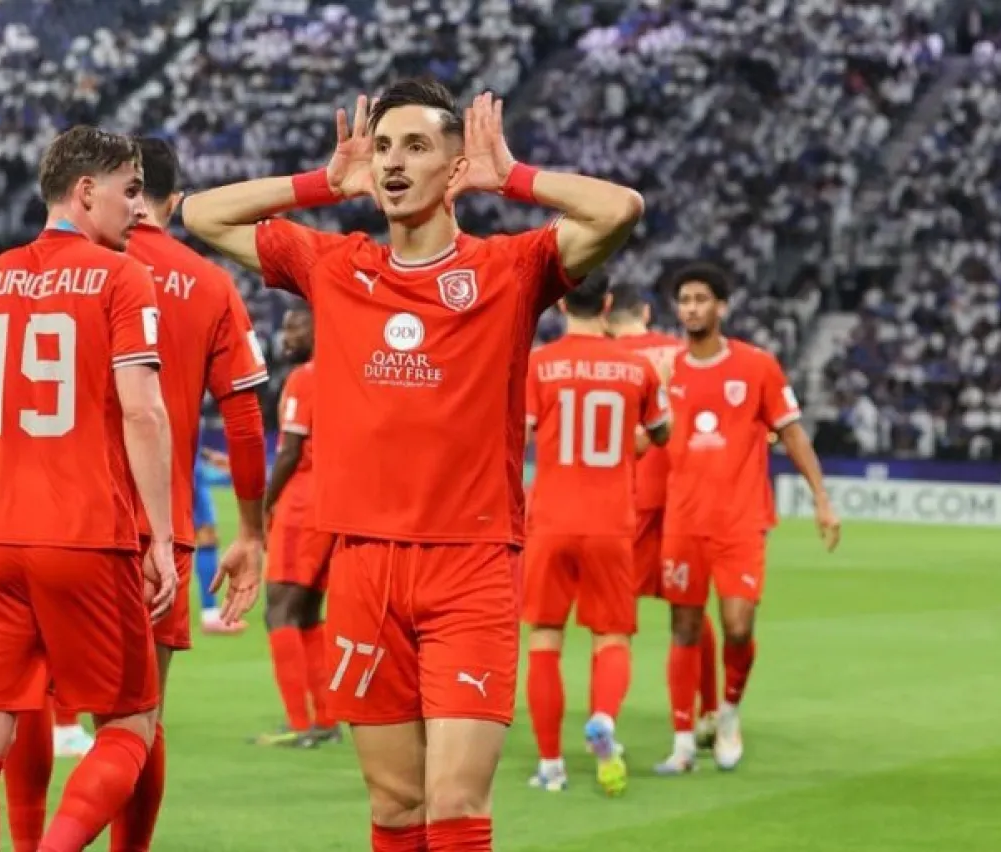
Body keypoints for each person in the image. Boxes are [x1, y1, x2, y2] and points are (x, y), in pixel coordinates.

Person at [182, 78, 644, 851]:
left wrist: (514, 177)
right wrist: (324, 183)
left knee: (456, 804)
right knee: (396, 807)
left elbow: (619, 209)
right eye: (385, 147)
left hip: (470, 567)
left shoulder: (509, 270)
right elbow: (201, 213)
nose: (393, 162)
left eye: (417, 146)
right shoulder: (336, 265)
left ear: (456, 167)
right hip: (363, 567)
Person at [0, 125, 187, 852]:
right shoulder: (122, 277)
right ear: (85, 191)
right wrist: (160, 535)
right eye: (129, 191)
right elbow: (145, 412)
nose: (139, 208)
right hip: (86, 536)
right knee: (131, 722)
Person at [0, 136, 268, 852]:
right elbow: (243, 420)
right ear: (172, 198)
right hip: (154, 528)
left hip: (44, 514)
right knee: (138, 720)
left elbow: (11, 398)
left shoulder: (57, 270)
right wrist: (250, 530)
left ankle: (26, 840)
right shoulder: (207, 283)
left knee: (27, 694)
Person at [654, 262, 840, 775]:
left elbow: (793, 433)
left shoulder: (757, 366)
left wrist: (821, 497)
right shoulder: (667, 370)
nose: (691, 308)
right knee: (684, 626)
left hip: (740, 521)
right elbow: (647, 439)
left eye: (701, 299)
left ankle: (729, 714)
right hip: (683, 521)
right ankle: (683, 742)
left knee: (737, 627)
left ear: (722, 307)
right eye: (684, 300)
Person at [523, 274, 669, 796]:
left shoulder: (538, 365)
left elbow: (517, 435)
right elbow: (662, 434)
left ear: (561, 303)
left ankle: (550, 765)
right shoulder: (637, 367)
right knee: (611, 636)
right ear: (607, 304)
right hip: (611, 522)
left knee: (545, 639)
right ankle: (603, 720)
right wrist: (632, 442)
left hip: (551, 520)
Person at [608, 283, 721, 747]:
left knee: (614, 620)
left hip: (625, 498)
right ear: (647, 312)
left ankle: (604, 719)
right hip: (681, 498)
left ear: (606, 313)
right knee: (690, 609)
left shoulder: (606, 360)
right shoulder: (681, 353)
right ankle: (709, 709)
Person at [254, 303, 340, 747]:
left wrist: (264, 504)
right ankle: (325, 719)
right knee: (307, 613)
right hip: (334, 503)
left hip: (303, 501)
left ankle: (298, 723)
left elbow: (290, 450)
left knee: (278, 610)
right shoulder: (347, 376)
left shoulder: (305, 379)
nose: (286, 336)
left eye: (296, 327)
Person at [194, 449, 248, 634]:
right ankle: (210, 615)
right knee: (206, 536)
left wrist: (205, 454)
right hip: (184, 465)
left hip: (184, 460)